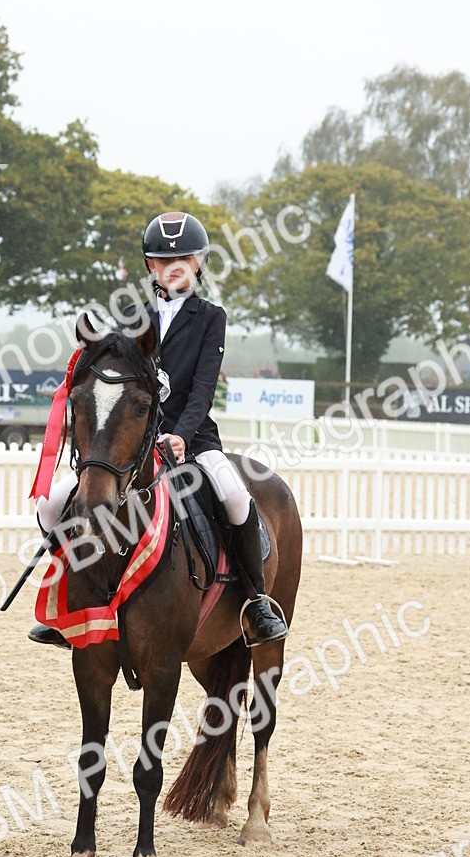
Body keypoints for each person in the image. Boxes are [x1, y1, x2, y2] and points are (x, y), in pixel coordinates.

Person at [28, 210, 288, 648]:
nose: (174, 266)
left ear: (199, 262)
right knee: (51, 506)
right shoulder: (131, 316)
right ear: (150, 265)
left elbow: (203, 389)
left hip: (194, 438)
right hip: (132, 443)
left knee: (236, 498)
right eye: (165, 260)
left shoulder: (211, 317)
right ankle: (70, 595)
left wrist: (182, 434)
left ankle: (255, 600)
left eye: (184, 258)